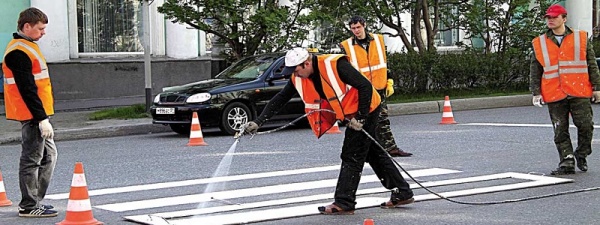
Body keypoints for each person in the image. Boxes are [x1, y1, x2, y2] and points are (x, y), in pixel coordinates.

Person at [243, 48, 414, 214]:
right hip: (351, 114)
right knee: (371, 152)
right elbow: (280, 98)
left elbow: (365, 87)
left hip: (367, 108)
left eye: (295, 70)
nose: (293, 74)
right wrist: (258, 122)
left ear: (307, 63)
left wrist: (361, 117)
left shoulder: (335, 65)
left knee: (351, 154)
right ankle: (403, 192)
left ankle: (344, 202)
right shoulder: (298, 77)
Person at [529, 4, 600, 175]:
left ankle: (582, 153)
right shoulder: (539, 43)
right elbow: (535, 69)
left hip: (579, 90)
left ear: (564, 19)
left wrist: (597, 87)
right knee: (560, 129)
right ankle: (567, 160)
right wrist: (536, 92)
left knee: (585, 126)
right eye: (548, 17)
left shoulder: (580, 38)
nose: (550, 20)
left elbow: (591, 64)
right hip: (554, 92)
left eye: (554, 17)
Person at [2, 7, 58, 217]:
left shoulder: (27, 46)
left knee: (49, 156)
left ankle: (34, 200)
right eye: (40, 28)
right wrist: (41, 118)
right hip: (33, 115)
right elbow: (27, 88)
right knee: (32, 159)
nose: (44, 32)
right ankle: (29, 204)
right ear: (27, 26)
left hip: (37, 113)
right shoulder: (19, 52)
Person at [339, 16, 412, 157]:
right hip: (362, 90)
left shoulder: (378, 40)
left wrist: (389, 80)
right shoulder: (346, 46)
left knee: (382, 119)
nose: (356, 31)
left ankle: (390, 148)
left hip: (379, 87)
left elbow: (384, 63)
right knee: (364, 121)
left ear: (364, 25)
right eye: (353, 28)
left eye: (358, 27)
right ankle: (370, 150)